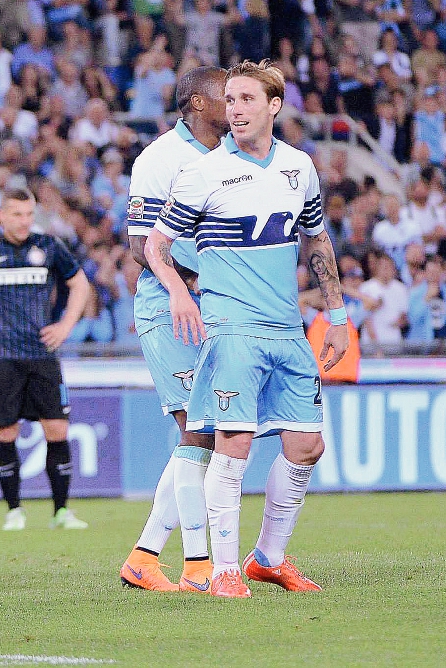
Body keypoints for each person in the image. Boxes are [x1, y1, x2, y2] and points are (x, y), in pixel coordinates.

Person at [146, 60, 348, 598]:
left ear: (273, 105)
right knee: (233, 445)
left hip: (287, 328)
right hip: (231, 326)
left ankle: (268, 559)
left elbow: (318, 243)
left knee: (307, 445)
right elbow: (155, 245)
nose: (234, 109)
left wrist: (339, 316)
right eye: (229, 100)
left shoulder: (299, 167)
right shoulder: (204, 172)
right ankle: (226, 570)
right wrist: (177, 290)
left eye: (246, 100)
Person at [118, 67, 227, 593]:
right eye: (224, 93)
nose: (234, 100)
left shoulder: (233, 155)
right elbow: (140, 245)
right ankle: (199, 564)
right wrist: (193, 283)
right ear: (199, 104)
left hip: (219, 311)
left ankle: (144, 557)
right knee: (198, 430)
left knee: (204, 434)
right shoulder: (160, 158)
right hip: (169, 306)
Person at [0, 188, 92, 531]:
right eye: (17, 214)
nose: (24, 221)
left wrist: (66, 325)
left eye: (29, 214)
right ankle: (14, 510)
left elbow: (80, 284)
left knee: (57, 429)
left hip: (42, 354)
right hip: (2, 355)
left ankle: (61, 511)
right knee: (5, 432)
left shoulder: (49, 246)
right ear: (1, 216)